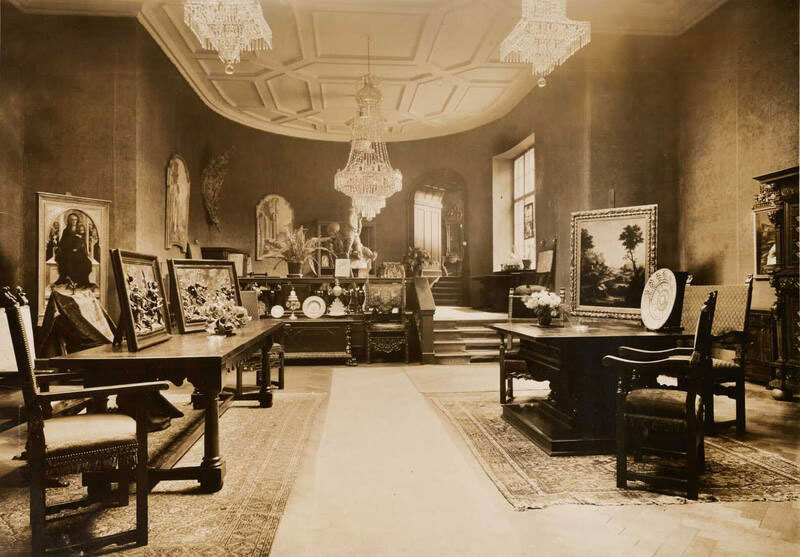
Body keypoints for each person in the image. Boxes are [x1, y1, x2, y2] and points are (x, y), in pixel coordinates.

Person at [55, 213, 93, 286]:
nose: (74, 221)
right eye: (72, 219)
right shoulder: (66, 230)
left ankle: (80, 282)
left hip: (79, 251)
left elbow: (83, 241)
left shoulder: (80, 229)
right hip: (68, 251)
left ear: (77, 220)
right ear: (69, 221)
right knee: (68, 260)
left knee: (86, 263)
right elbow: (62, 242)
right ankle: (69, 280)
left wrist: (79, 247)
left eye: (75, 219)